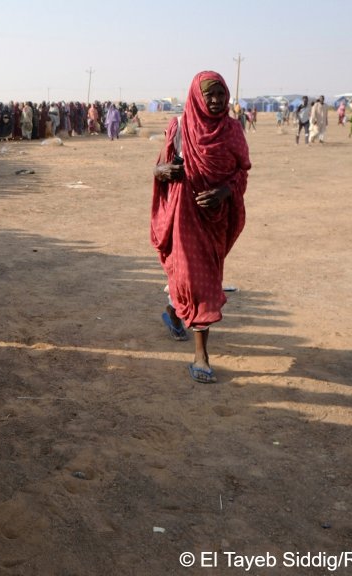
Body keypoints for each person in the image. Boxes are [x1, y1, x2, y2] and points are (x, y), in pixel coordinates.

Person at [151, 71, 250, 384]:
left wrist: (224, 191)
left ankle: (173, 312)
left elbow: (242, 171)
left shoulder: (233, 130)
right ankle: (201, 357)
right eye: (210, 95)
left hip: (215, 218)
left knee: (195, 278)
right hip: (184, 214)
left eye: (221, 95)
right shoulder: (179, 127)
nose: (217, 101)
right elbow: (158, 167)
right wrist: (165, 171)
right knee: (200, 281)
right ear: (197, 97)